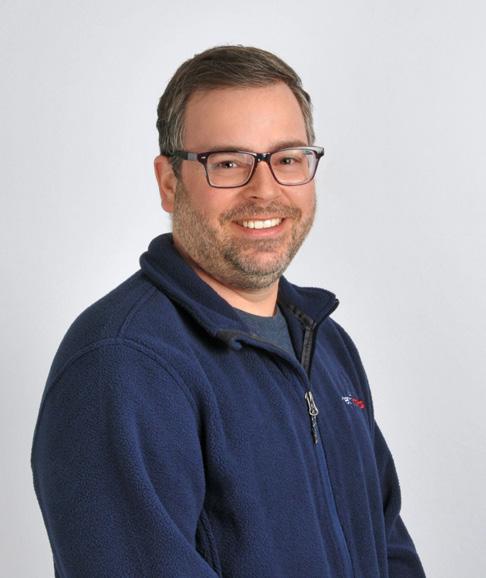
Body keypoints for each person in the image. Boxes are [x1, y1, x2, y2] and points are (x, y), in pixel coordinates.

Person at [31, 45, 426, 577]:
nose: (264, 191)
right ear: (169, 183)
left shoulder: (326, 344)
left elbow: (387, 547)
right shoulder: (122, 364)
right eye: (228, 163)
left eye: (287, 159)